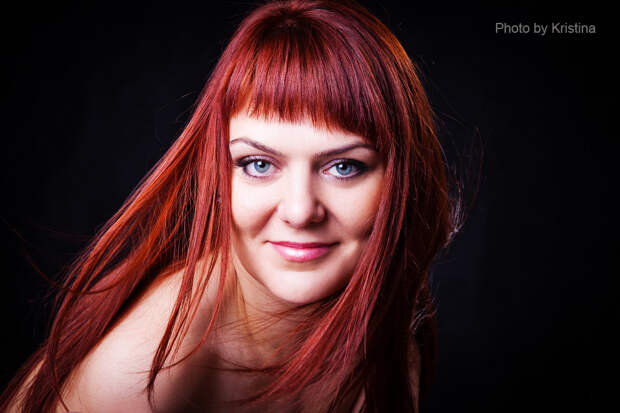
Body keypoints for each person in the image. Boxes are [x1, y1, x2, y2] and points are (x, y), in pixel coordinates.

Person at [1, 0, 457, 411]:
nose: (300, 211)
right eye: (258, 164)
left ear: (400, 180)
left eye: (343, 167)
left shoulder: (392, 313)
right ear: (220, 177)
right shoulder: (138, 379)